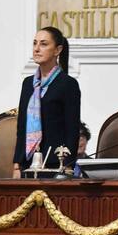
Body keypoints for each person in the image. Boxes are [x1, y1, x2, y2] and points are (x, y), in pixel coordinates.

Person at [13, 27, 80, 177]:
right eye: (34, 43)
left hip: (55, 164)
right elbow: (21, 126)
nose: (36, 49)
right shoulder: (28, 83)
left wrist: (68, 166)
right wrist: (17, 165)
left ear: (58, 50)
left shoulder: (67, 84)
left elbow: (72, 128)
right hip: (28, 162)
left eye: (43, 44)